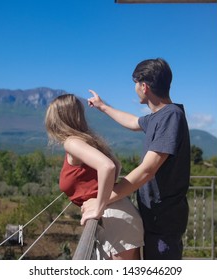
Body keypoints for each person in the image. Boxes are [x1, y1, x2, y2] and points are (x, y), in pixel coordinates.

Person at [84, 58, 190, 260]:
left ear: (144, 86)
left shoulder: (171, 116)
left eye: (135, 84)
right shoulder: (158, 117)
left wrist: (103, 199)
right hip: (155, 217)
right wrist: (102, 106)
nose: (135, 89)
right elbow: (133, 122)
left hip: (164, 221)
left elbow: (147, 170)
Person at [45, 94, 144, 260]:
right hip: (118, 215)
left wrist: (98, 205)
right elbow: (116, 165)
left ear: (58, 119)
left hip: (114, 220)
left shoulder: (72, 143)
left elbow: (108, 166)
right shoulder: (86, 140)